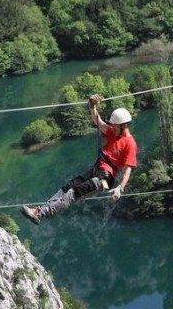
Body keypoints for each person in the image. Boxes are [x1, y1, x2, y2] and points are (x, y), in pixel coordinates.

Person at [21, 94, 137, 224]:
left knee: (73, 193)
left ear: (124, 126)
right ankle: (39, 209)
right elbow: (98, 122)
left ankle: (40, 213)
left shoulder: (130, 144)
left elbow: (128, 170)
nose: (113, 128)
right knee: (67, 187)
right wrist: (92, 106)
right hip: (95, 170)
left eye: (115, 126)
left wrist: (120, 188)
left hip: (104, 179)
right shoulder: (113, 133)